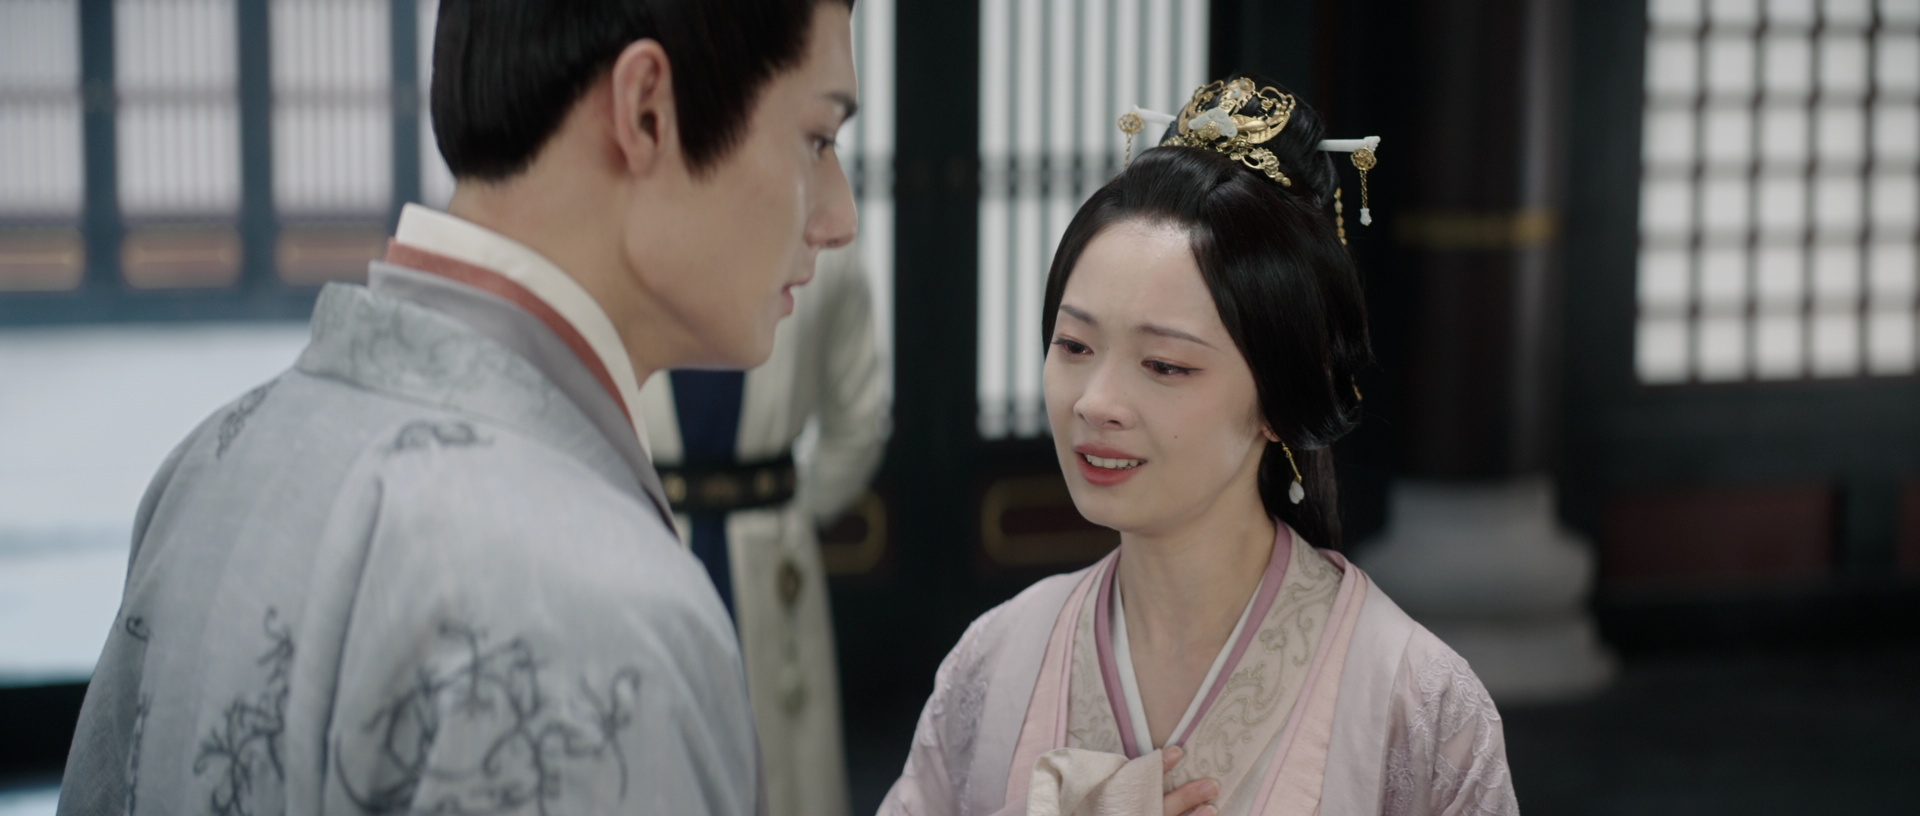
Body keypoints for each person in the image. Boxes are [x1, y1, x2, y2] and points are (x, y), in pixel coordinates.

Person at [57, 1, 857, 813]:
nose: (842, 218)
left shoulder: (211, 462)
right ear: (648, 109)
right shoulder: (604, 612)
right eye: (818, 139)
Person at [879, 75, 1518, 816]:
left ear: (1280, 397)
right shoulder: (995, 662)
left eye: (1164, 365)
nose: (1095, 402)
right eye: (1075, 345)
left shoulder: (1419, 705)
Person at [640, 243, 889, 816]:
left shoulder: (820, 240)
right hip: (649, 533)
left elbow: (858, 423)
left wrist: (790, 516)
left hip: (770, 554)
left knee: (783, 772)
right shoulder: (623, 225)